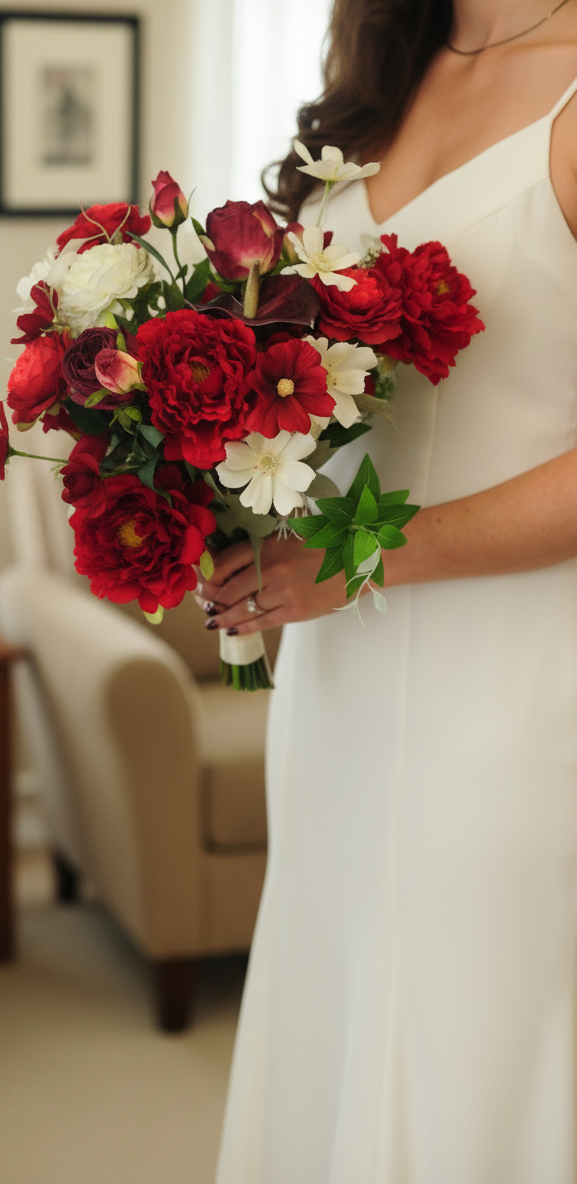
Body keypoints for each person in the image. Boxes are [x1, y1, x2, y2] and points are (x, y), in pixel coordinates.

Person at [199, 2, 577, 1180]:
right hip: (338, 686)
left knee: (474, 1034)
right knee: (337, 994)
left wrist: (360, 553)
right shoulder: (382, 57)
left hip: (513, 692)